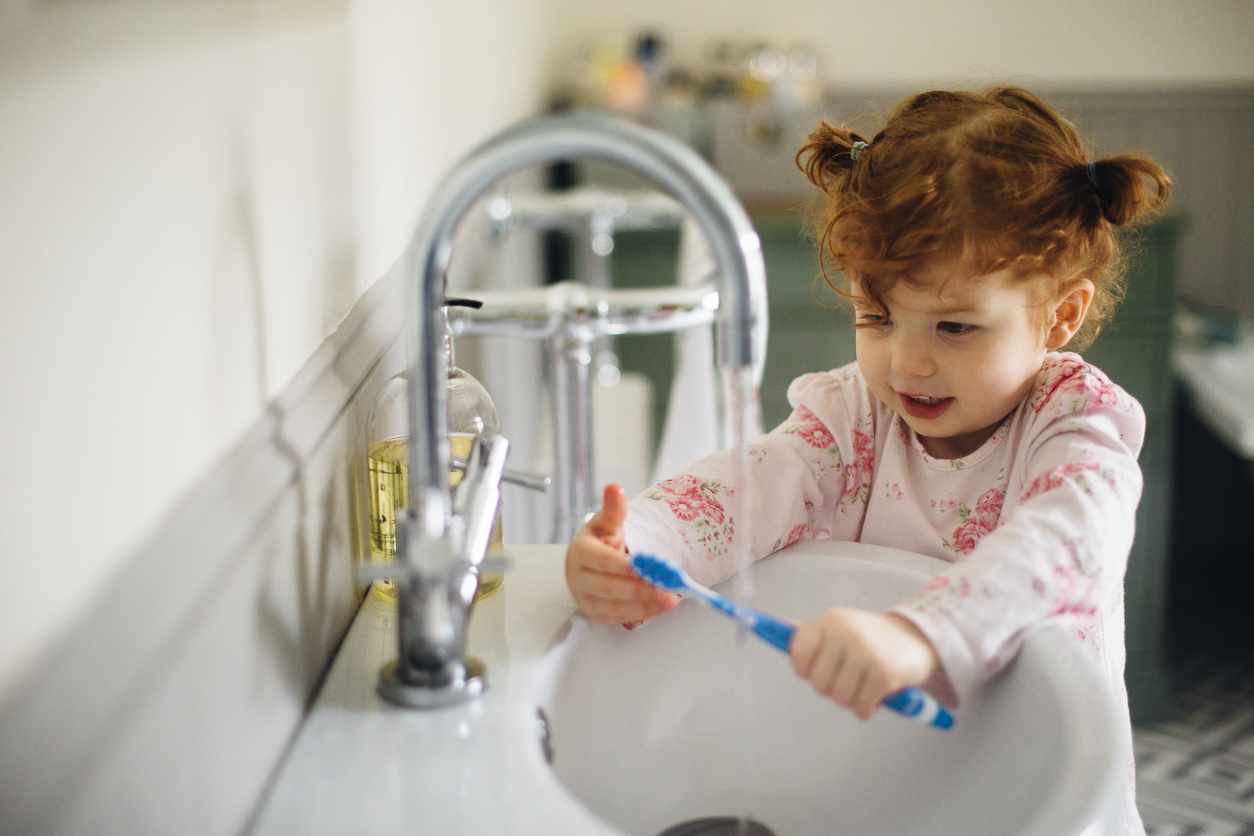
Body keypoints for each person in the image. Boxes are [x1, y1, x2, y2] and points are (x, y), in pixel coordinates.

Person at [565, 87, 1170, 834]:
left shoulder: (1078, 423)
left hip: (1042, 791)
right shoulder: (854, 417)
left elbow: (1066, 543)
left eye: (955, 326)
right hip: (884, 779)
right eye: (875, 317)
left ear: (1061, 316)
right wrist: (641, 544)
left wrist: (920, 634)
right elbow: (759, 483)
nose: (907, 362)